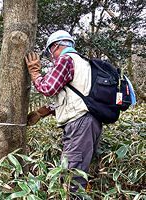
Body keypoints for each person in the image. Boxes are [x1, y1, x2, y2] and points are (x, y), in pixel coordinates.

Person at [25, 30, 102, 192]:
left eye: (50, 52)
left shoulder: (66, 59)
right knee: (77, 170)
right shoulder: (82, 63)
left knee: (71, 174)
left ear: (56, 46)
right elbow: (73, 98)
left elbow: (47, 87)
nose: (51, 57)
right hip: (88, 122)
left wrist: (35, 73)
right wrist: (41, 112)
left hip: (80, 123)